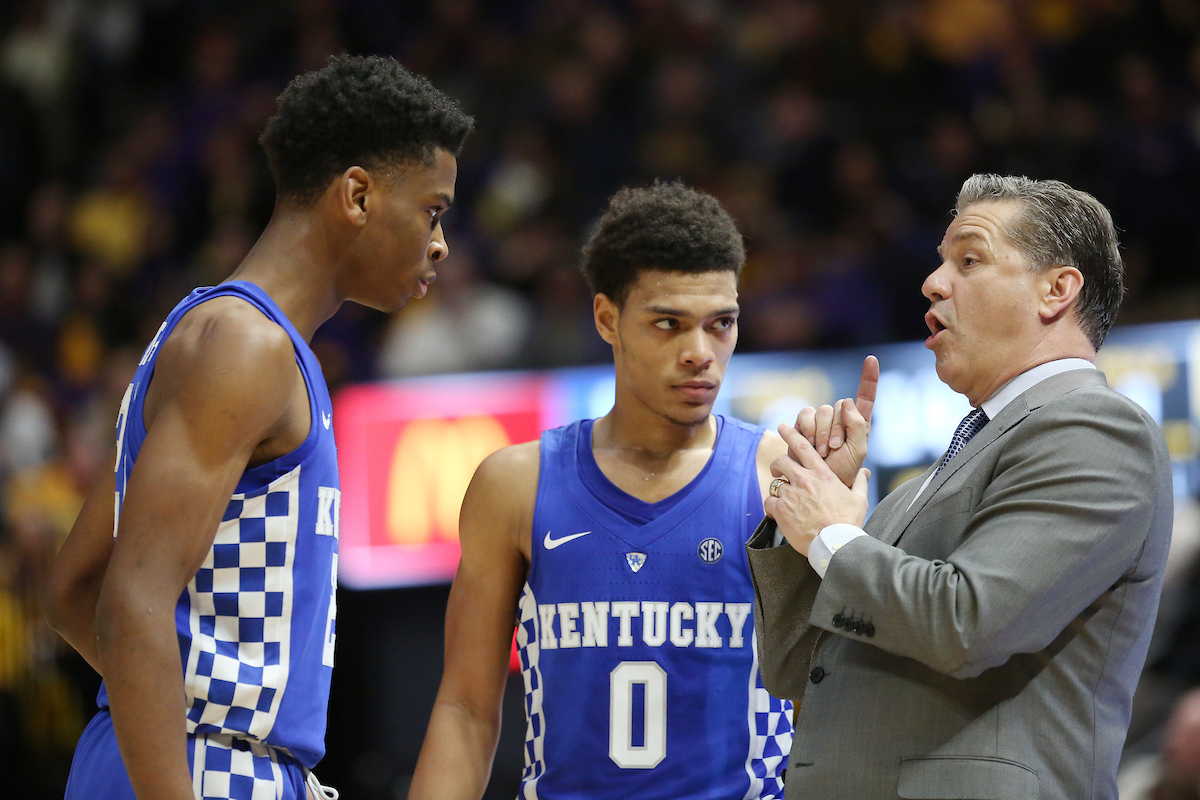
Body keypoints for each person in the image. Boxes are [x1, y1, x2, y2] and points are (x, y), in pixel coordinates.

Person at [45, 54, 473, 800]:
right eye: (432, 210)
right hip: (205, 768)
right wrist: (193, 750)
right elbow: (129, 602)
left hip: (186, 759)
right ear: (358, 194)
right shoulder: (247, 346)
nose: (439, 243)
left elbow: (74, 587)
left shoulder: (223, 335)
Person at [408, 180, 877, 800]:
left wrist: (841, 537)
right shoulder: (515, 482)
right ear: (608, 318)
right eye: (669, 324)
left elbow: (847, 694)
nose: (700, 353)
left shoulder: (783, 475)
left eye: (721, 324)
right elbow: (466, 709)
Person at [748, 173, 1173, 799]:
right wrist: (803, 517)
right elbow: (795, 669)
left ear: (1057, 289)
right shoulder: (930, 482)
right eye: (941, 260)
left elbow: (965, 622)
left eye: (969, 260)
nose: (933, 281)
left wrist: (830, 533)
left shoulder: (1097, 427)